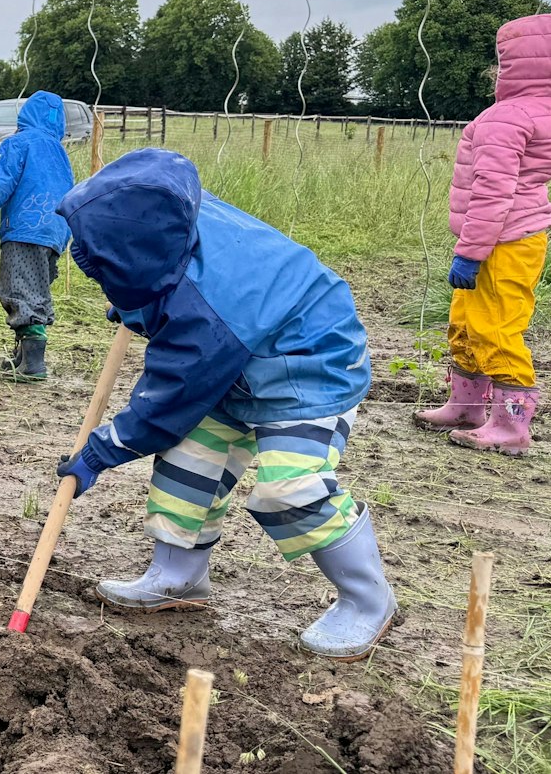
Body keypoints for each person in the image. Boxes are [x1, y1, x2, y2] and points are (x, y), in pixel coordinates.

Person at [53, 149, 396, 660]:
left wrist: (103, 451)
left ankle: (367, 600)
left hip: (310, 365)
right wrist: (139, 300)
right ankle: (178, 576)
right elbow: (169, 286)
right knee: (189, 463)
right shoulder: (173, 215)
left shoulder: (206, 316)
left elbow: (166, 401)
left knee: (291, 488)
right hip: (237, 361)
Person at [414, 14, 551, 455]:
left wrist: (470, 252)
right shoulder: (548, 112)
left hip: (500, 241)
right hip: (510, 236)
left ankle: (511, 427)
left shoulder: (504, 118)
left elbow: (493, 191)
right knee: (466, 322)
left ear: (516, 64)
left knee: (495, 327)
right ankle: (467, 406)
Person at [0, 91, 75, 381]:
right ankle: (24, 355)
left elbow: (0, 180)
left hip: (26, 228)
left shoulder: (17, 143)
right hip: (55, 231)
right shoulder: (58, 151)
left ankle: (34, 365)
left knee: (18, 290)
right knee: (37, 288)